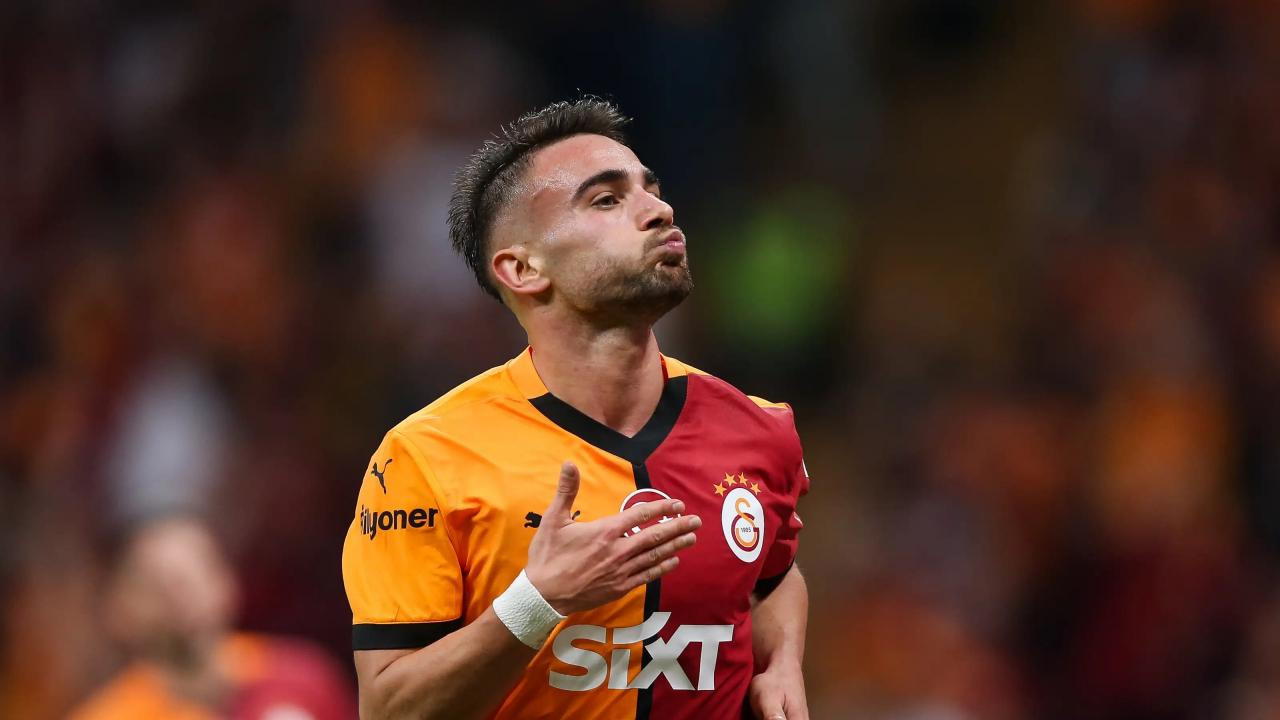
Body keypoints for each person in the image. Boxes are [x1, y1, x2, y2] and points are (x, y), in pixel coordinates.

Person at [342, 97, 810, 720]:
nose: (660, 210)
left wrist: (782, 661)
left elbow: (775, 576)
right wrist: (538, 602)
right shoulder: (426, 458)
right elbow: (389, 707)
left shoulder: (759, 430)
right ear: (522, 268)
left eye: (651, 191)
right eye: (607, 200)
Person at [68, 514, 356, 720]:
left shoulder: (307, 677)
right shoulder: (107, 714)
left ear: (229, 582)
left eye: (195, 570)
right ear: (118, 609)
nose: (179, 594)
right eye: (155, 581)